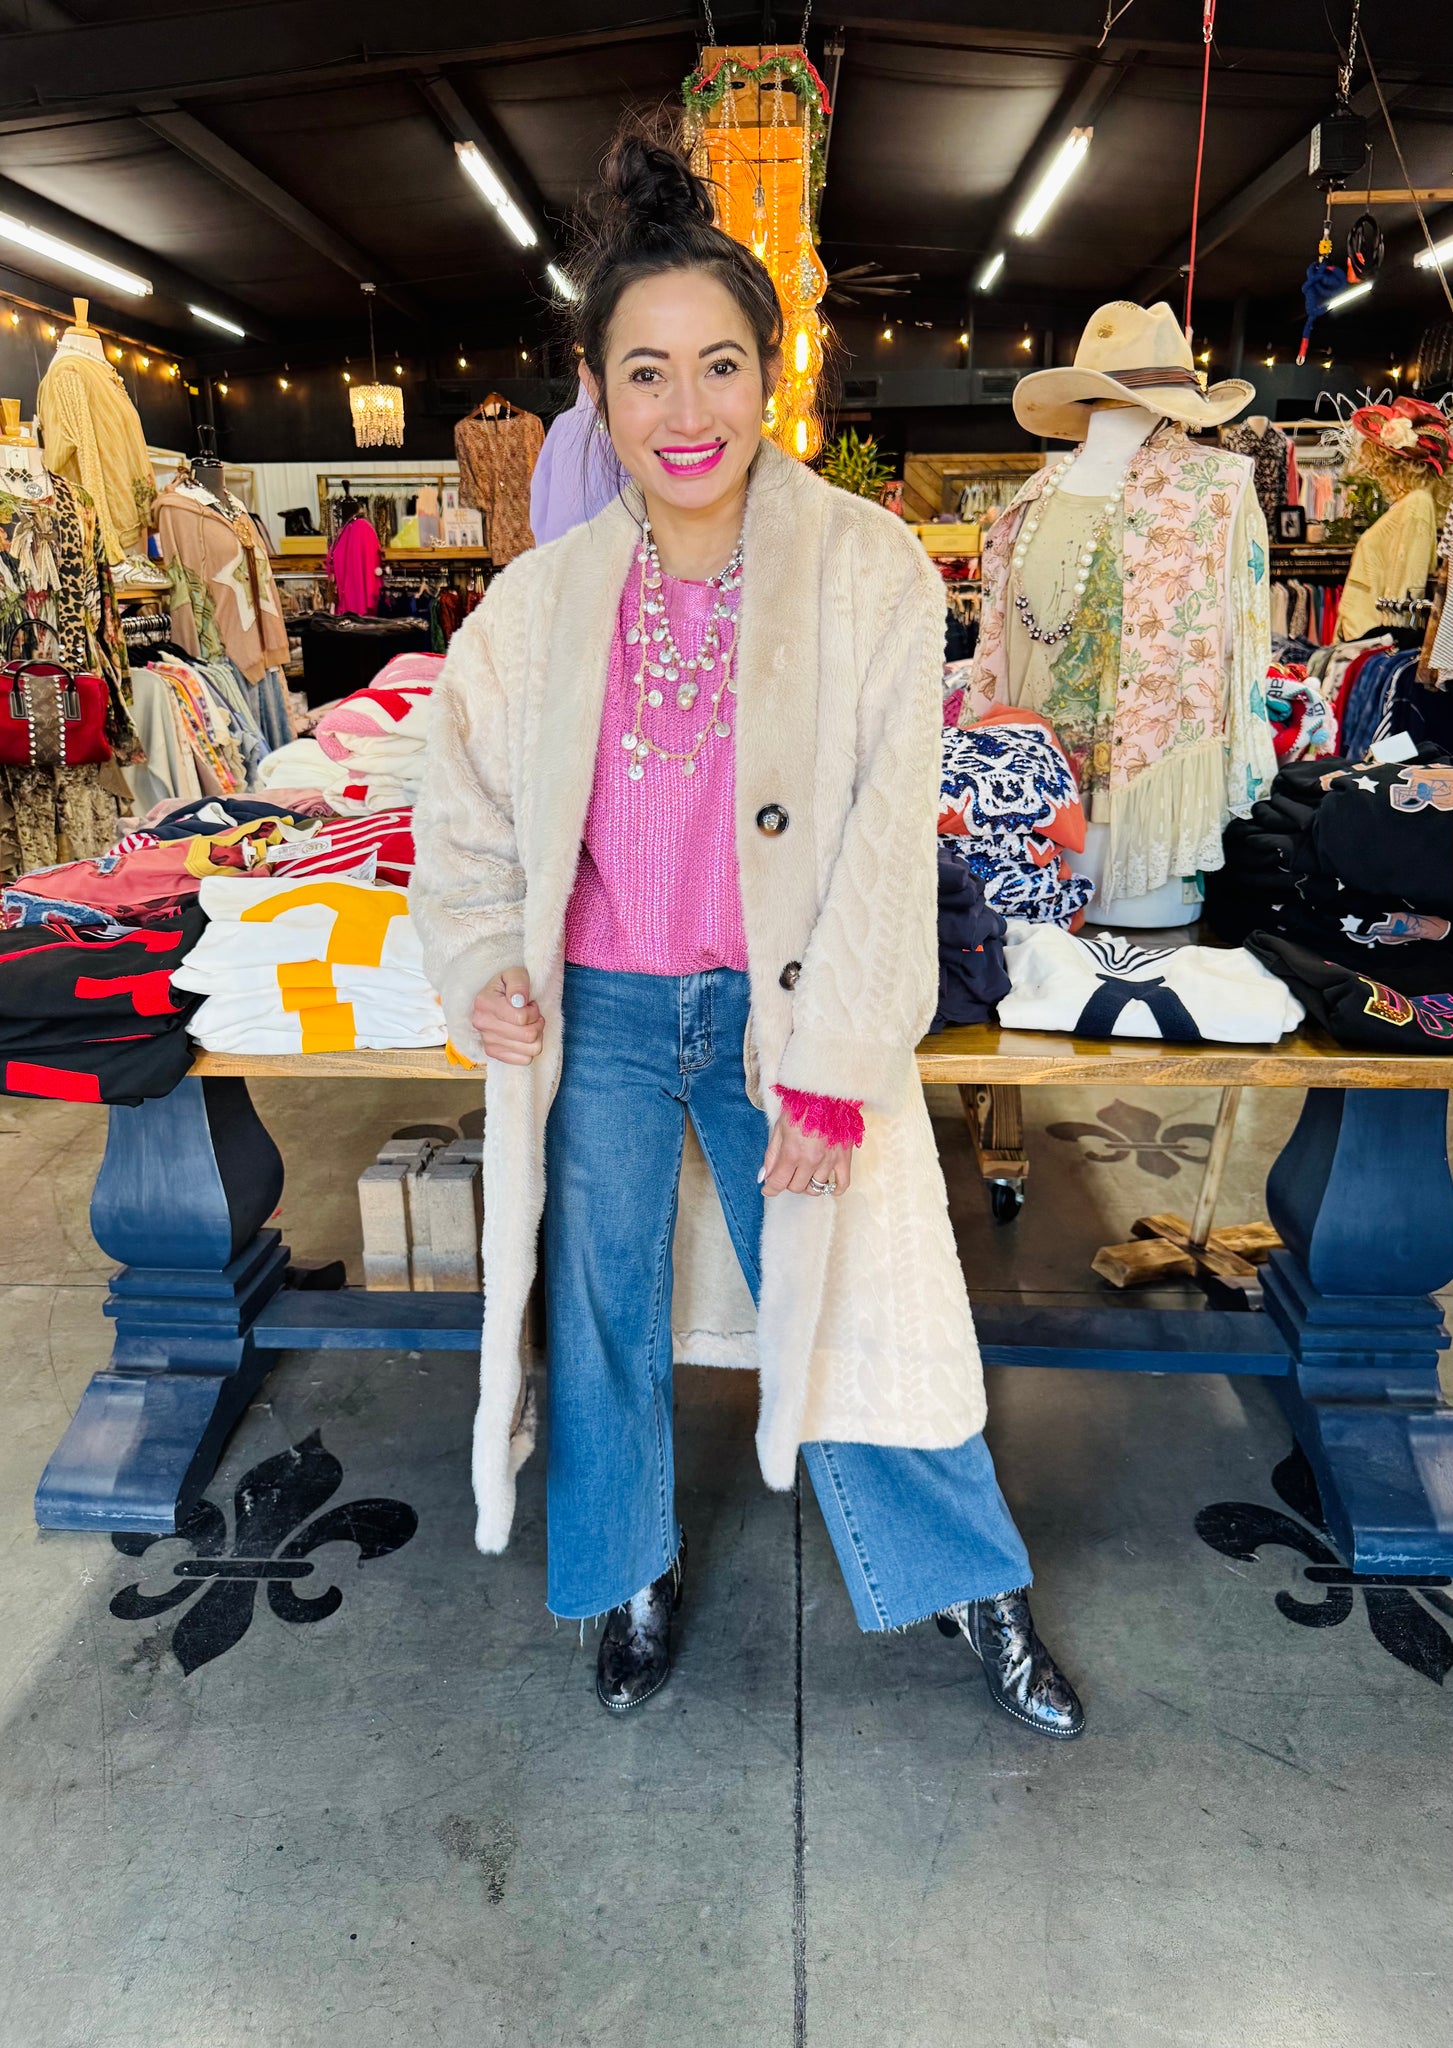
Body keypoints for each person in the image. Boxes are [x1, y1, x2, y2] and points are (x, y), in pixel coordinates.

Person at [410, 127, 1084, 1739]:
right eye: (645, 373)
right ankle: (626, 1574)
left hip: (792, 1016)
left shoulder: (866, 572)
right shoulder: (538, 602)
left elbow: (882, 844)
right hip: (601, 1011)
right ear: (595, 391)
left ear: (770, 378)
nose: (685, 409)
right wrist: (486, 962)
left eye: (719, 366)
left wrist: (838, 1066)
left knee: (862, 1293)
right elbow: (466, 817)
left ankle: (971, 1586)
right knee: (598, 1309)